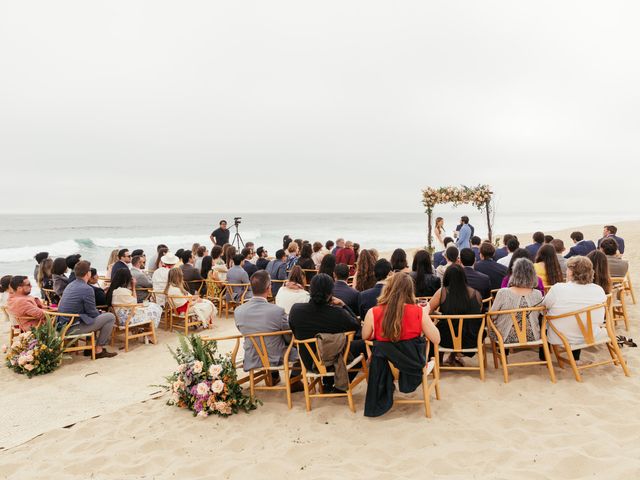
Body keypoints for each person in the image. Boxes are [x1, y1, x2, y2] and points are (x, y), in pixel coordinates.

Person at [289, 274, 363, 383]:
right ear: (330, 294)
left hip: (308, 361)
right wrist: (344, 305)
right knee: (364, 344)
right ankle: (340, 385)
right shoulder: (337, 313)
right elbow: (357, 325)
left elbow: (294, 331)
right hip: (332, 362)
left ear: (310, 290)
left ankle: (328, 384)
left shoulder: (296, 310)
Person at [234, 271, 301, 386]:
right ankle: (294, 381)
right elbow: (289, 337)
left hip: (252, 355)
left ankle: (273, 376)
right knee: (301, 351)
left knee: (268, 340)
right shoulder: (277, 311)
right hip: (276, 356)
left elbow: (243, 331)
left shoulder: (238, 311)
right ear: (269, 288)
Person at [543, 256, 608, 363]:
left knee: (545, 316)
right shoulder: (598, 289)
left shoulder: (558, 288)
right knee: (579, 318)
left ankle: (545, 356)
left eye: (568, 269)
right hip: (591, 334)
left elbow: (545, 305)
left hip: (563, 337)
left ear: (571, 272)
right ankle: (575, 358)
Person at [57, 261, 117, 358]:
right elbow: (92, 313)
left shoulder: (70, 285)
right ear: (88, 273)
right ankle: (98, 350)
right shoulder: (87, 288)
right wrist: (101, 313)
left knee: (93, 317)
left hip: (62, 325)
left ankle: (89, 347)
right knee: (110, 317)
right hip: (71, 328)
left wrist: (98, 314)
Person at [362, 272, 440, 343]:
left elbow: (365, 336)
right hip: (411, 358)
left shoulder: (372, 312)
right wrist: (425, 314)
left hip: (383, 358)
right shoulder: (419, 312)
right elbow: (436, 339)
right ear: (410, 291)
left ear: (388, 289)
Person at [429, 264, 483, 366]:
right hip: (471, 338)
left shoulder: (442, 292)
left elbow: (428, 310)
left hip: (446, 339)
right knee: (459, 324)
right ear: (463, 277)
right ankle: (452, 358)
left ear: (447, 277)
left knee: (442, 327)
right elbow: (477, 313)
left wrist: (439, 314)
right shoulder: (476, 294)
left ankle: (438, 359)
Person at [488, 258, 544, 343]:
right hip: (533, 336)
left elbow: (492, 316)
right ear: (533, 274)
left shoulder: (503, 292)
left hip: (504, 337)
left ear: (514, 273)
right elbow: (541, 315)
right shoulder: (537, 294)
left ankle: (503, 354)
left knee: (493, 326)